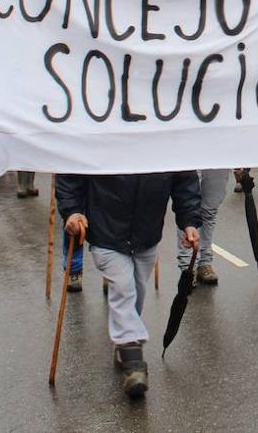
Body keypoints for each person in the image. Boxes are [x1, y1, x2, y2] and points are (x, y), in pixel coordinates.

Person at [58, 171, 200, 400]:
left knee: (136, 293)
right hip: (106, 233)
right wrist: (72, 211)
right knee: (123, 290)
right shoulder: (98, 135)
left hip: (147, 233)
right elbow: (71, 171)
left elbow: (184, 181)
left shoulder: (167, 138)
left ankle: (124, 343)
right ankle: (133, 361)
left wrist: (189, 222)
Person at [177, 168, 231, 284]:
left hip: (217, 157)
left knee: (209, 211)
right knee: (187, 210)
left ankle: (204, 263)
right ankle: (188, 267)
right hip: (190, 157)